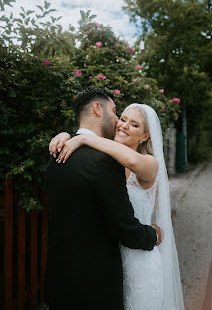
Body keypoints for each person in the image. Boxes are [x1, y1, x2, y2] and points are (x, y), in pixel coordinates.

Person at [50, 95, 185, 309]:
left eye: (135, 124)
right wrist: (66, 134)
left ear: (145, 135)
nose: (123, 125)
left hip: (139, 260)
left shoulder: (149, 163)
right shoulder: (104, 160)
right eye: (122, 118)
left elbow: (131, 159)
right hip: (110, 263)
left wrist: (85, 138)